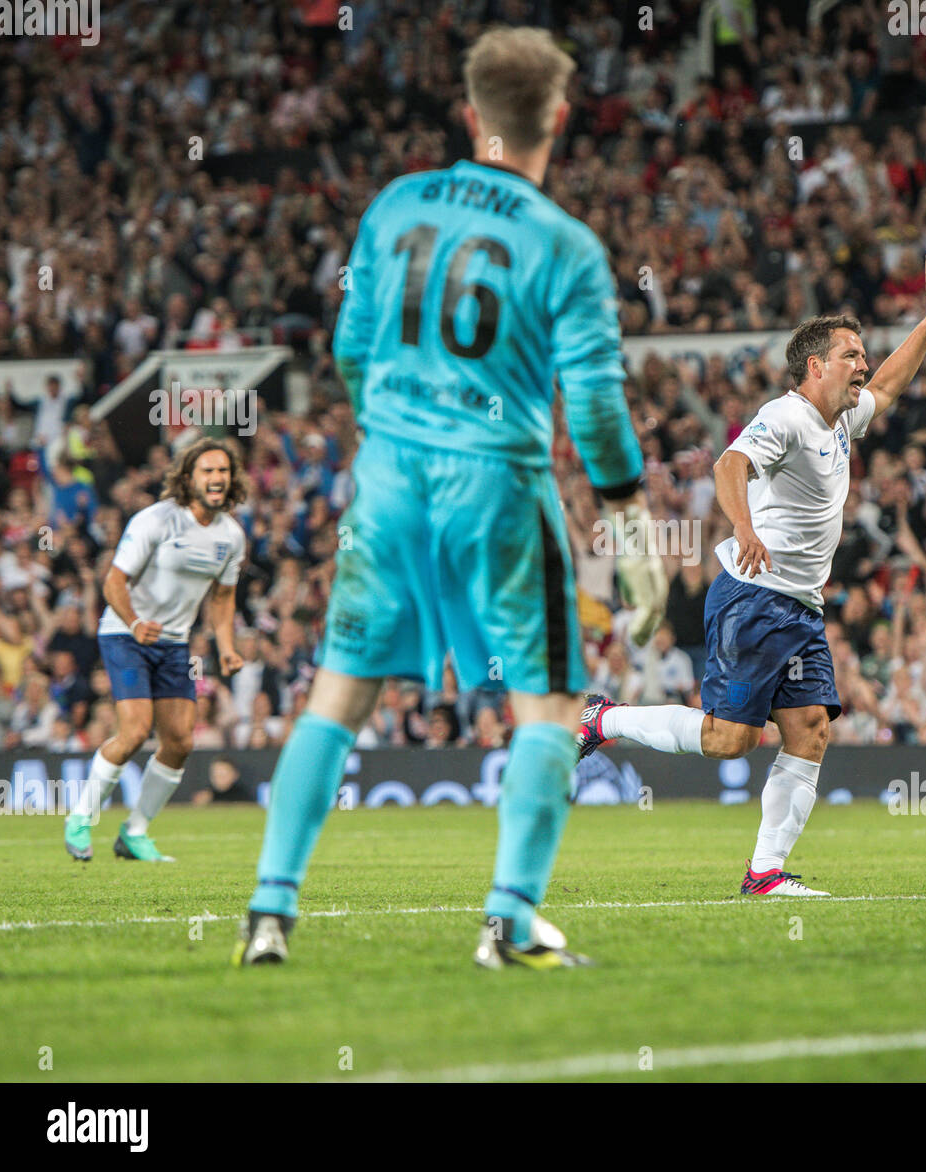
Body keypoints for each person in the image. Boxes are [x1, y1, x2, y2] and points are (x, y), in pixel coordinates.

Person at [234, 26, 666, 969]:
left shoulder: (393, 207)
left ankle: (269, 914)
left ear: (470, 115)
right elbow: (592, 406)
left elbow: (350, 349)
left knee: (337, 695)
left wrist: (391, 429)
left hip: (388, 475)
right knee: (548, 707)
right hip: (498, 484)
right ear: (558, 117)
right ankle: (508, 924)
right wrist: (629, 523)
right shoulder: (567, 244)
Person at [579, 261, 926, 896]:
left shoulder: (841, 419)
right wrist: (744, 527)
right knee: (731, 739)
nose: (862, 365)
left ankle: (765, 875)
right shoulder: (786, 416)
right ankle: (604, 719)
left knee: (810, 730)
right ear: (816, 366)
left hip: (801, 608)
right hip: (754, 596)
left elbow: (889, 388)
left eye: (862, 354)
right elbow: (730, 465)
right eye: (851, 355)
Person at [64, 438, 247, 861]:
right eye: (208, 471)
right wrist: (134, 623)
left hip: (174, 643)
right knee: (133, 732)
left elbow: (221, 598)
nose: (217, 478)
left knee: (180, 740)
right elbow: (113, 581)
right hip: (124, 634)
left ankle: (135, 832)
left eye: (223, 471)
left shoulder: (232, 537)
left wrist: (227, 648)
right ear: (188, 478)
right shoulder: (156, 520)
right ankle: (81, 818)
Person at [192, 755, 257, 805]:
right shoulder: (206, 794)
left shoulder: (243, 796)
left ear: (235, 774)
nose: (219, 777)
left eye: (223, 774)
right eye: (216, 773)